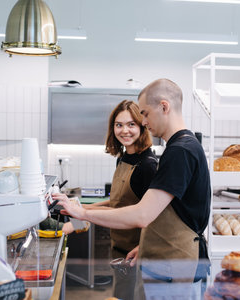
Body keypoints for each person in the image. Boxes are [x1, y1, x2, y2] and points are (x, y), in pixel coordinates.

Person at [53, 78, 211, 299]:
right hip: (163, 262)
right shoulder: (180, 147)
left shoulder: (179, 151)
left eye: (144, 114)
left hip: (175, 265)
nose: (144, 121)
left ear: (164, 107)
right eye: (120, 124)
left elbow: (143, 215)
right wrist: (145, 246)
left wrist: (83, 214)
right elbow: (164, 211)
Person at [84, 99, 158, 300]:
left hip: (137, 253)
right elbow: (118, 203)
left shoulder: (148, 166)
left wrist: (143, 247)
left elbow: (155, 215)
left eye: (131, 124)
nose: (124, 130)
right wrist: (81, 207)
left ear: (142, 126)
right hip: (118, 248)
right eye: (119, 125)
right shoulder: (123, 158)